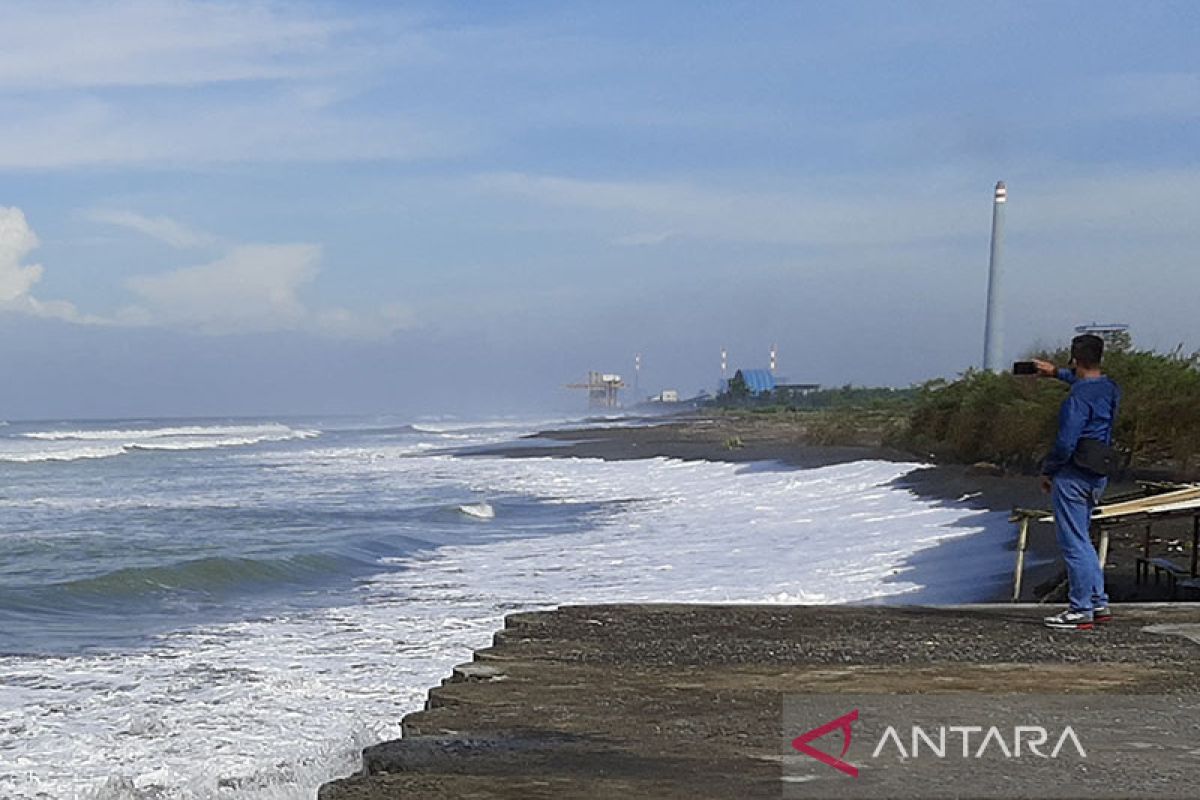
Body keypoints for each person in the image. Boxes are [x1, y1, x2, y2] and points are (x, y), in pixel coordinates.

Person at [1032, 334, 1121, 631]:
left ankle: (1081, 608)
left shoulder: (1077, 398)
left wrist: (1049, 469)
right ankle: (1098, 601)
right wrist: (1055, 373)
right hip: (1099, 470)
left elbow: (1066, 441)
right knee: (1083, 540)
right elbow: (1085, 382)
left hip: (1074, 473)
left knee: (1074, 542)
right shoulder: (1109, 388)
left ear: (1074, 359)